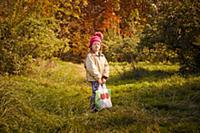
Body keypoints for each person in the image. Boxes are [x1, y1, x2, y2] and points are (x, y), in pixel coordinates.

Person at [85, 32, 109, 112]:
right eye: (94, 44)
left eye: (98, 44)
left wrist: (104, 76)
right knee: (96, 93)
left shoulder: (102, 56)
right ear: (91, 46)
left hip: (102, 78)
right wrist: (98, 77)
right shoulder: (90, 56)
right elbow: (92, 68)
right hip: (94, 78)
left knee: (102, 92)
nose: (96, 46)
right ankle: (93, 108)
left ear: (100, 46)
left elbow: (106, 66)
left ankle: (102, 105)